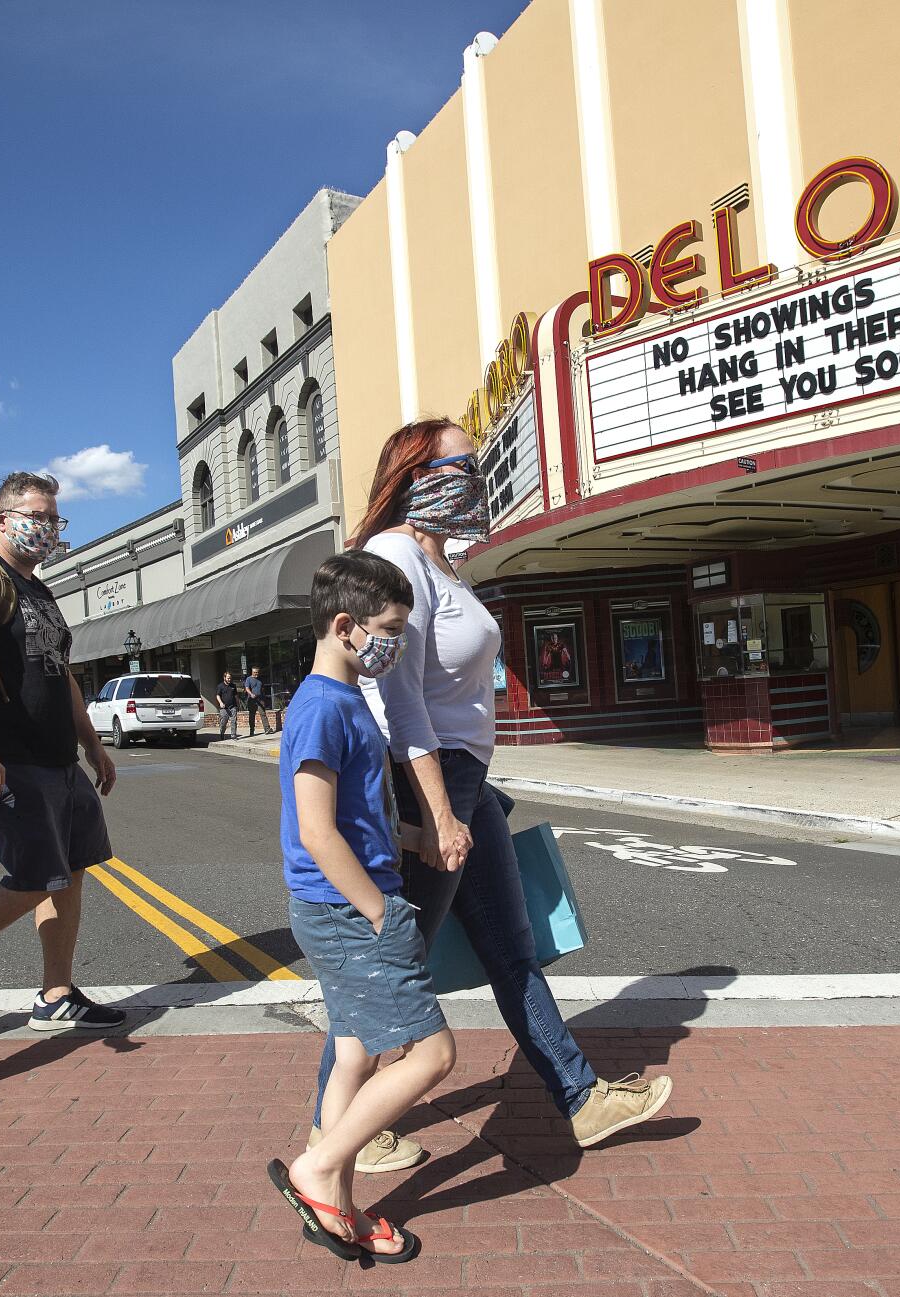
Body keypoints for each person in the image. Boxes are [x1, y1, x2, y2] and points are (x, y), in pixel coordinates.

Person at [321, 417, 672, 1161]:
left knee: (512, 952)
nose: (474, 479)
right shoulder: (394, 556)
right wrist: (441, 811)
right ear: (416, 475)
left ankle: (583, 1099)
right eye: (459, 465)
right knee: (392, 958)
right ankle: (339, 1127)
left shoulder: (443, 563)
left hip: (464, 781)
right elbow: (401, 700)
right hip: (430, 785)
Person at [266, 552, 449, 1263]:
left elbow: (355, 817)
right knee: (432, 1053)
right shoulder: (319, 706)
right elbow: (316, 830)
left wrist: (416, 837)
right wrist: (380, 911)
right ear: (344, 626)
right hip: (349, 912)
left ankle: (337, 1203)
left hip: (351, 903)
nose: (394, 643)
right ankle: (315, 1172)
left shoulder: (345, 703)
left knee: (354, 1055)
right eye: (389, 629)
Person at [0, 471, 126, 1033]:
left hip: (59, 759)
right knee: (35, 876)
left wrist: (93, 746)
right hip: (11, 760)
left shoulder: (36, 587)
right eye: (36, 516)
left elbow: (60, 677)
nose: (46, 528)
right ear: (2, 520)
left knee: (72, 870)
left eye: (54, 518)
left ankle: (56, 994)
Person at [214, 670, 239, 740]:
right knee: (223, 722)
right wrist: (221, 703)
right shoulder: (220, 686)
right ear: (224, 677)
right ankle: (222, 733)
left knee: (233, 721)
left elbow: (236, 696)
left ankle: (233, 735)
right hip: (224, 707)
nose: (229, 679)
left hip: (233, 706)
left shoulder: (233, 686)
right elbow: (217, 696)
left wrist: (238, 704)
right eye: (228, 678)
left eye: (230, 678)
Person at [243, 666, 267, 735]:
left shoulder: (260, 679)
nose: (256, 674)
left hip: (260, 699)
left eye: (257, 672)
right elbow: (247, 688)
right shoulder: (249, 679)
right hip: (252, 700)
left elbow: (262, 689)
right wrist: (251, 694)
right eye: (255, 672)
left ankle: (267, 729)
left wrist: (263, 699)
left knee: (263, 714)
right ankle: (252, 730)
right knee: (252, 715)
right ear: (252, 672)